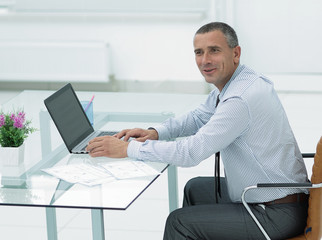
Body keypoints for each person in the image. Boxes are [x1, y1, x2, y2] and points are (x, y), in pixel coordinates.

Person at [86, 22, 309, 239]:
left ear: (236, 53)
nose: (205, 60)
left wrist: (129, 149)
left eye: (214, 51)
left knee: (179, 222)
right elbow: (198, 116)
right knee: (194, 188)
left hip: (275, 213)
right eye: (199, 52)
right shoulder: (238, 82)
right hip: (274, 196)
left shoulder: (239, 99)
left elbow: (190, 152)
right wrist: (155, 132)